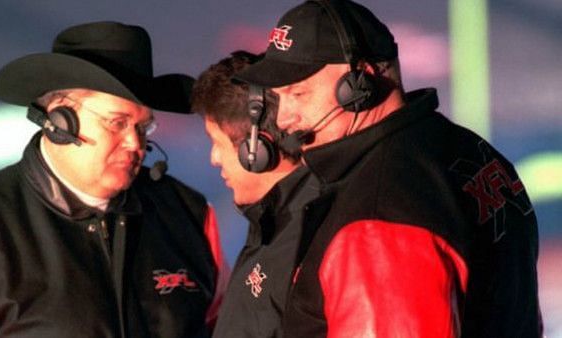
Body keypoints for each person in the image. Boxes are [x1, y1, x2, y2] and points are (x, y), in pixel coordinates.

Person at [232, 1, 543, 337]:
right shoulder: (471, 151)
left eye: (299, 93)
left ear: (357, 87)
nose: (283, 118)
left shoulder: (375, 214)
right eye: (280, 97)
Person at [0, 21, 228, 338]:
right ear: (60, 122)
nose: (135, 143)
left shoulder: (191, 215)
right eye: (117, 123)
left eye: (143, 128)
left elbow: (227, 326)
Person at [191, 51, 317, 337]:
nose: (213, 158)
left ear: (255, 149)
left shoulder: (307, 238)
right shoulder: (274, 225)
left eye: (217, 143)